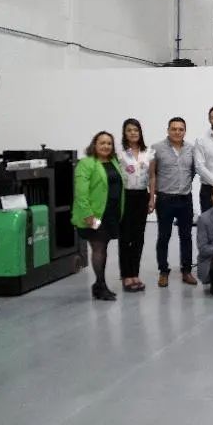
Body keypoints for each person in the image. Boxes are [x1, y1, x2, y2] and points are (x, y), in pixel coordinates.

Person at [73, 131, 125, 301]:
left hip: (111, 214)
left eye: (109, 143)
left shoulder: (113, 162)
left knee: (103, 247)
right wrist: (88, 215)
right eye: (102, 143)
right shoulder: (86, 163)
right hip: (95, 216)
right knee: (98, 248)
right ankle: (100, 286)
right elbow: (81, 193)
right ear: (94, 145)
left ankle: (98, 285)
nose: (106, 146)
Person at [150, 117, 197, 288]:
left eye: (181, 129)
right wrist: (152, 197)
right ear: (168, 130)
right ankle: (163, 271)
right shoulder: (156, 148)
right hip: (165, 199)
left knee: (186, 236)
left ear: (185, 131)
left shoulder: (191, 149)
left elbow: (193, 171)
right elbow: (152, 174)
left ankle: (186, 270)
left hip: (185, 198)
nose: (177, 132)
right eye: (174, 129)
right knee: (164, 236)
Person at [115, 118, 151, 292]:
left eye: (136, 130)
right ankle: (126, 275)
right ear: (124, 133)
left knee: (138, 237)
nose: (133, 133)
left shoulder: (148, 152)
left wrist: (152, 198)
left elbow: (152, 176)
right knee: (125, 237)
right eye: (129, 130)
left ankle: (135, 273)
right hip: (125, 196)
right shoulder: (119, 153)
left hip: (142, 196)